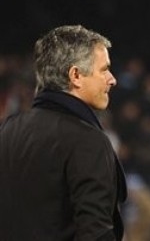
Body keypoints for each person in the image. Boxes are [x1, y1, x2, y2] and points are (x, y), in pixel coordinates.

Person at [0, 25, 127, 240]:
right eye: (104, 69)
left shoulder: (6, 130)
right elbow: (95, 233)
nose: (112, 79)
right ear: (75, 75)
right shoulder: (88, 140)